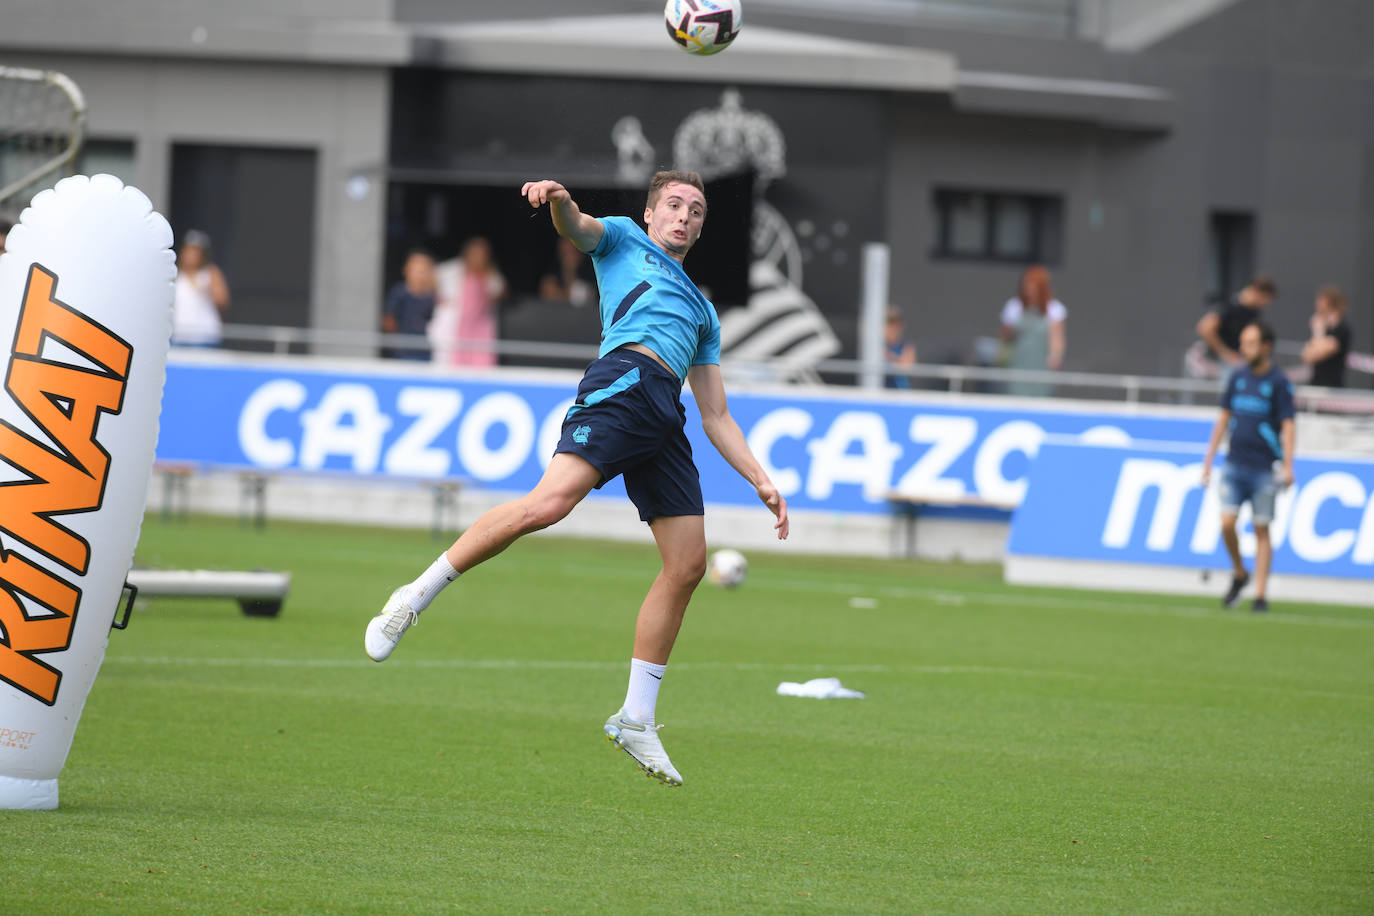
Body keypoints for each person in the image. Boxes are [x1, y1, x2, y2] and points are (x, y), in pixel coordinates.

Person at [364, 172, 789, 787]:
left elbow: (716, 414)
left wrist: (759, 479)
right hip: (624, 385)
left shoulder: (702, 310)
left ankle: (636, 718)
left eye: (696, 211)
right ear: (649, 215)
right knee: (547, 506)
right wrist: (562, 202)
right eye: (674, 205)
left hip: (665, 412)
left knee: (688, 564)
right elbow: (580, 229)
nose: (684, 217)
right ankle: (414, 597)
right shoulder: (621, 238)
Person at [1200, 321, 1296, 613]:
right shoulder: (1237, 377)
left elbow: (1289, 425)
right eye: (1243, 342)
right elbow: (1223, 418)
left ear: (1266, 346)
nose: (1244, 348)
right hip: (1234, 464)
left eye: (1251, 343)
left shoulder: (1278, 382)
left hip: (1263, 468)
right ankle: (1240, 572)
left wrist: (1288, 465)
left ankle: (1260, 595)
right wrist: (1208, 460)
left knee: (1261, 528)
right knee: (1227, 523)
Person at [430, 236, 507, 367]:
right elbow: (432, 282)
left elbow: (500, 292)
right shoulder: (449, 270)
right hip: (453, 328)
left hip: (480, 331)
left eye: (483, 254)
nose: (479, 258)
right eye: (475, 253)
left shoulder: (491, 276)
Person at [1000, 265, 1066, 397]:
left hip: (1040, 364)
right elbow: (1005, 336)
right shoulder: (1014, 306)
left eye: (1033, 285)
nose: (1028, 289)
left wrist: (1055, 356)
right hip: (1018, 362)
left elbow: (1057, 337)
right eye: (1026, 284)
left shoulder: (1053, 309)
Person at [1196, 273, 1276, 369]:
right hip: (1217, 364)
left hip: (1236, 362)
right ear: (1256, 291)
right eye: (1265, 299)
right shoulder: (1230, 305)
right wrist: (1225, 353)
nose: (1265, 304)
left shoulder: (1253, 312)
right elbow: (1205, 328)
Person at [171, 229, 231, 347]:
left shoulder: (211, 274)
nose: (192, 255)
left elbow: (222, 300)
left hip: (205, 337)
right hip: (179, 335)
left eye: (196, 252)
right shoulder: (175, 275)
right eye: (189, 250)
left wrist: (206, 287)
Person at [381, 247, 437, 360]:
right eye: (417, 269)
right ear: (406, 270)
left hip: (425, 351)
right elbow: (388, 321)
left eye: (424, 270)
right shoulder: (399, 293)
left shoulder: (432, 297)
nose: (420, 274)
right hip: (402, 351)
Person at [1300, 284, 1351, 388]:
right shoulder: (1323, 328)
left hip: (1332, 387)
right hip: (1315, 384)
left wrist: (1318, 331)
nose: (1317, 304)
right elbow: (1306, 357)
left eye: (1320, 300)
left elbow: (1323, 352)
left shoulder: (1342, 328)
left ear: (1329, 303)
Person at [539, 235, 597, 307]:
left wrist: (571, 271)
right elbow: (548, 294)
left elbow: (582, 297)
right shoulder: (552, 275)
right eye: (565, 253)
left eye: (572, 251)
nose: (569, 257)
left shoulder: (592, 276)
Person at [884, 306, 917, 389]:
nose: (892, 329)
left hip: (900, 394)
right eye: (889, 324)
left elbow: (907, 367)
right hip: (881, 393)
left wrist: (889, 357)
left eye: (895, 324)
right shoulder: (875, 346)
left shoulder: (906, 347)